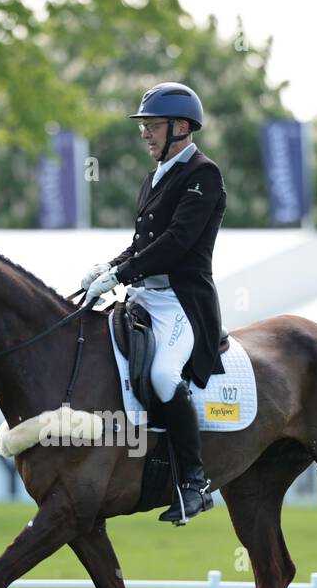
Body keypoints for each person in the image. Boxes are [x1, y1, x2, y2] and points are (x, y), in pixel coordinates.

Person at [81, 81, 228, 525]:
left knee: (165, 374)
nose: (144, 133)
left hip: (183, 302)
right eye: (143, 126)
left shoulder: (203, 174)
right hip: (145, 296)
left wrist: (120, 274)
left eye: (152, 126)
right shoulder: (154, 177)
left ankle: (194, 482)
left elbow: (177, 243)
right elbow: (140, 243)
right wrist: (106, 269)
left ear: (181, 127)